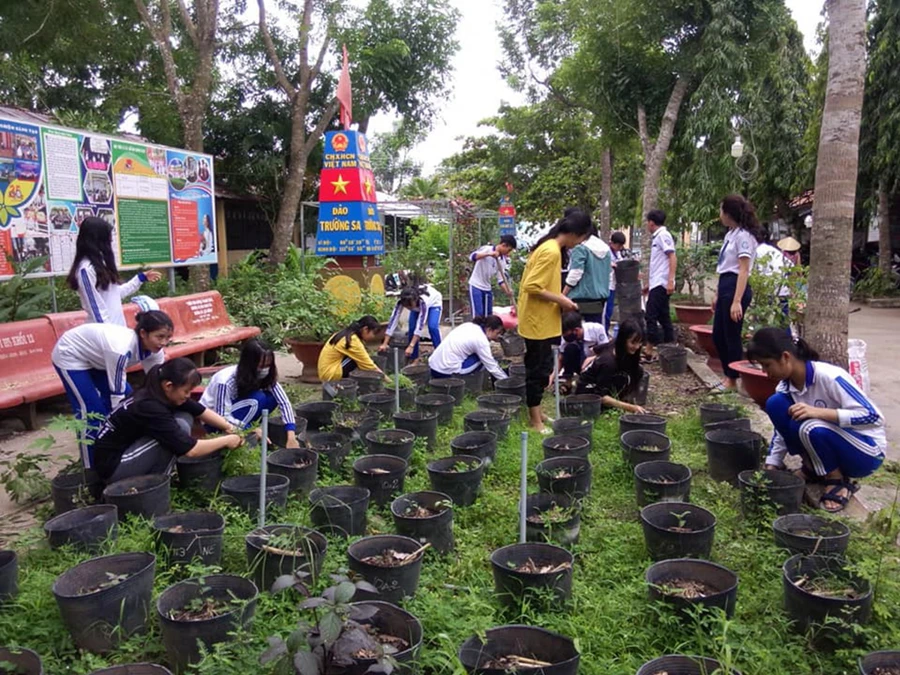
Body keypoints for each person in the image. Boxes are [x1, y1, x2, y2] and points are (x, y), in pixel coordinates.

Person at [747, 328, 885, 513]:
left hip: (865, 453)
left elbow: (874, 417)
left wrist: (821, 412)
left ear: (785, 357)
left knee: (808, 425)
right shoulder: (785, 387)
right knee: (776, 404)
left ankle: (836, 480)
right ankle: (813, 467)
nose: (764, 371)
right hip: (824, 440)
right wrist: (772, 463)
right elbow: (781, 431)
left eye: (767, 365)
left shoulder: (830, 377)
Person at [51, 310, 174, 469]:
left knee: (132, 400)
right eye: (159, 336)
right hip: (71, 355)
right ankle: (91, 468)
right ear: (143, 333)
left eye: (167, 338)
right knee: (91, 413)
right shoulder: (121, 349)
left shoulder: (155, 352)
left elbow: (157, 384)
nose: (163, 342)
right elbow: (117, 395)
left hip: (98, 358)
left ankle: (117, 451)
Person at [93, 358, 244, 485]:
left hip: (130, 450)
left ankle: (159, 479)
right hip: (114, 468)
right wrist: (226, 440)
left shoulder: (159, 391)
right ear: (168, 386)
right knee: (178, 432)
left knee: (184, 415)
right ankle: (157, 485)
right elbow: (191, 450)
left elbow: (199, 409)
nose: (188, 395)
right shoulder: (149, 406)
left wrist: (230, 427)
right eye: (186, 391)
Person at [518, 208, 592, 432]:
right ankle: (535, 421)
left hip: (543, 320)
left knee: (542, 368)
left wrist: (560, 300)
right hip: (537, 322)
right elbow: (532, 286)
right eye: (581, 238)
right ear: (574, 233)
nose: (579, 243)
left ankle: (538, 412)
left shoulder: (551, 247)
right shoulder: (551, 251)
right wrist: (563, 301)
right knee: (537, 372)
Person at [200, 339, 300, 448]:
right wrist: (249, 429)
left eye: (268, 365)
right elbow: (222, 415)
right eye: (261, 366)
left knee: (271, 398)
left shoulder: (265, 376)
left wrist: (291, 435)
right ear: (249, 363)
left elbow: (284, 402)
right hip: (215, 421)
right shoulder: (225, 381)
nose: (265, 369)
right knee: (258, 399)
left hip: (239, 410)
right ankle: (243, 439)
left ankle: (250, 432)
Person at [67, 217, 161, 326]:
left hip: (117, 331)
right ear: (97, 239)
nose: (111, 240)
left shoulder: (101, 265)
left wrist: (140, 279)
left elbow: (114, 295)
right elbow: (95, 309)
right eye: (108, 237)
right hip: (105, 335)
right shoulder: (86, 270)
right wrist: (111, 335)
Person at [712, 195, 761, 391]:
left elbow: (743, 269)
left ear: (728, 213)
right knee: (718, 335)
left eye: (721, 209)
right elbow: (724, 266)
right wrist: (717, 292)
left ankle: (732, 379)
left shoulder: (744, 237)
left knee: (731, 335)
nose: (720, 214)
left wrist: (736, 301)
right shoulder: (730, 234)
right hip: (725, 284)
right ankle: (727, 375)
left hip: (736, 287)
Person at [575, 318, 647, 414]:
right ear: (623, 340)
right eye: (633, 342)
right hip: (588, 393)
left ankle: (619, 401)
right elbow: (600, 396)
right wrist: (630, 408)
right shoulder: (608, 363)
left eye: (640, 342)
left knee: (637, 370)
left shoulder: (616, 346)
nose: (637, 347)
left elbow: (596, 349)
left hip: (606, 382)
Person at [429, 315, 508, 381]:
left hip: (433, 367)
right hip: (445, 373)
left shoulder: (469, 325)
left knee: (481, 355)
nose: (497, 336)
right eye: (497, 333)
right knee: (484, 360)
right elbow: (492, 367)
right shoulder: (481, 340)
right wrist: (506, 381)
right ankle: (469, 383)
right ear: (489, 329)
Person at [643, 209, 677, 359]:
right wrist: (650, 284)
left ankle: (649, 348)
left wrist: (670, 280)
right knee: (663, 315)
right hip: (657, 283)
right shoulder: (657, 237)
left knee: (651, 315)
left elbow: (672, 257)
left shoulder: (663, 235)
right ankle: (670, 345)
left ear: (651, 222)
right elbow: (659, 263)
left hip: (662, 283)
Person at [379, 284, 443, 362]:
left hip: (434, 303)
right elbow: (393, 320)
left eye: (410, 306)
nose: (408, 308)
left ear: (415, 300)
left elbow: (420, 325)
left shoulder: (423, 302)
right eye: (406, 306)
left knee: (432, 327)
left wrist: (411, 346)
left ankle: (441, 355)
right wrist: (385, 343)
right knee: (412, 328)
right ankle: (414, 358)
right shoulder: (400, 302)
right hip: (417, 306)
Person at [563, 223, 611, 323]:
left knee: (575, 331)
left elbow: (576, 273)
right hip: (599, 300)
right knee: (594, 331)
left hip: (580, 300)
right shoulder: (606, 249)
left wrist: (563, 295)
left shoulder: (581, 248)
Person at [318, 315, 385, 382]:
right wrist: (387, 380)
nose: (374, 337)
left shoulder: (346, 333)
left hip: (327, 370)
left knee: (361, 358)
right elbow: (370, 366)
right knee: (360, 360)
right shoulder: (352, 340)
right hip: (329, 374)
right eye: (374, 333)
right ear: (365, 329)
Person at [468, 235, 517, 317]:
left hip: (487, 288)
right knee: (478, 315)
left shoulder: (502, 261)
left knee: (488, 315)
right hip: (476, 286)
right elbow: (472, 257)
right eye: (509, 250)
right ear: (504, 245)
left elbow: (501, 280)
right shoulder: (487, 249)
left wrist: (508, 291)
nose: (508, 253)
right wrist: (489, 254)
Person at [756, 228, 792, 330]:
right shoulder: (773, 250)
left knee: (763, 318)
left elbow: (756, 272)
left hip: (768, 289)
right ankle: (787, 342)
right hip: (783, 289)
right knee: (783, 319)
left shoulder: (757, 251)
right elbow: (790, 266)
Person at [559, 311, 609, 380]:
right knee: (570, 348)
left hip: (594, 363)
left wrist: (592, 358)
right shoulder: (566, 337)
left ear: (576, 330)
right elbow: (561, 358)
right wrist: (553, 376)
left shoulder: (597, 329)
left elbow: (606, 351)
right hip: (579, 364)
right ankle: (568, 380)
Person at [605, 231, 627, 330]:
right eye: (619, 245)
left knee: (610, 310)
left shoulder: (618, 253)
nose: (620, 248)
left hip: (613, 285)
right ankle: (604, 330)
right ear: (612, 243)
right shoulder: (606, 252)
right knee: (606, 311)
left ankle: (606, 328)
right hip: (606, 285)